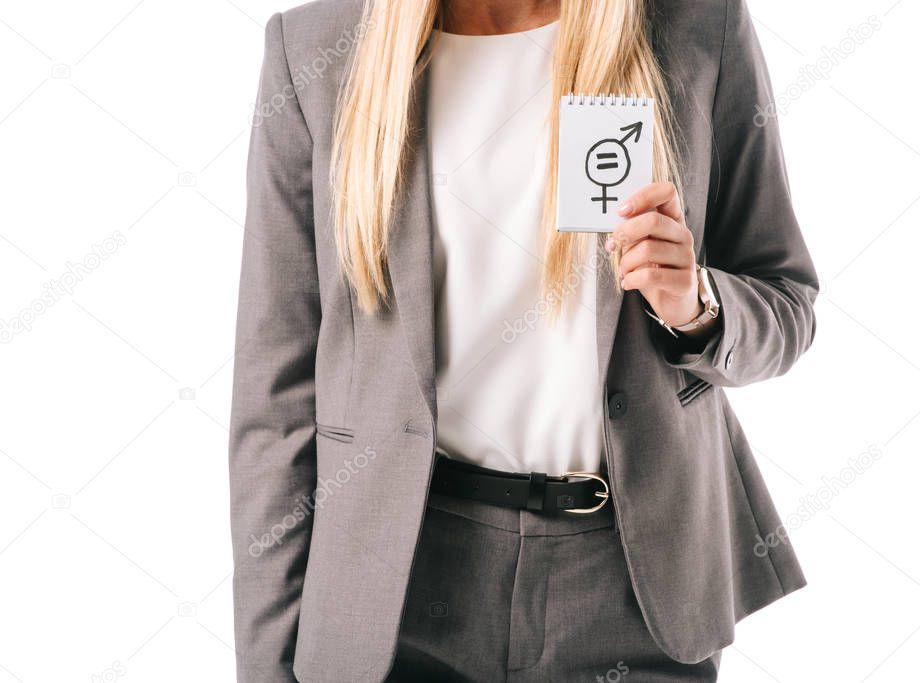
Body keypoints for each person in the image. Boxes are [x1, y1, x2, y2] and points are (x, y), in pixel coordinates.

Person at [228, 0, 818, 681]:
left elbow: (785, 302)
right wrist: (266, 665)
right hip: (394, 588)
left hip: (630, 583)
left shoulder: (695, 25)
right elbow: (274, 397)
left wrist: (696, 304)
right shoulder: (315, 50)